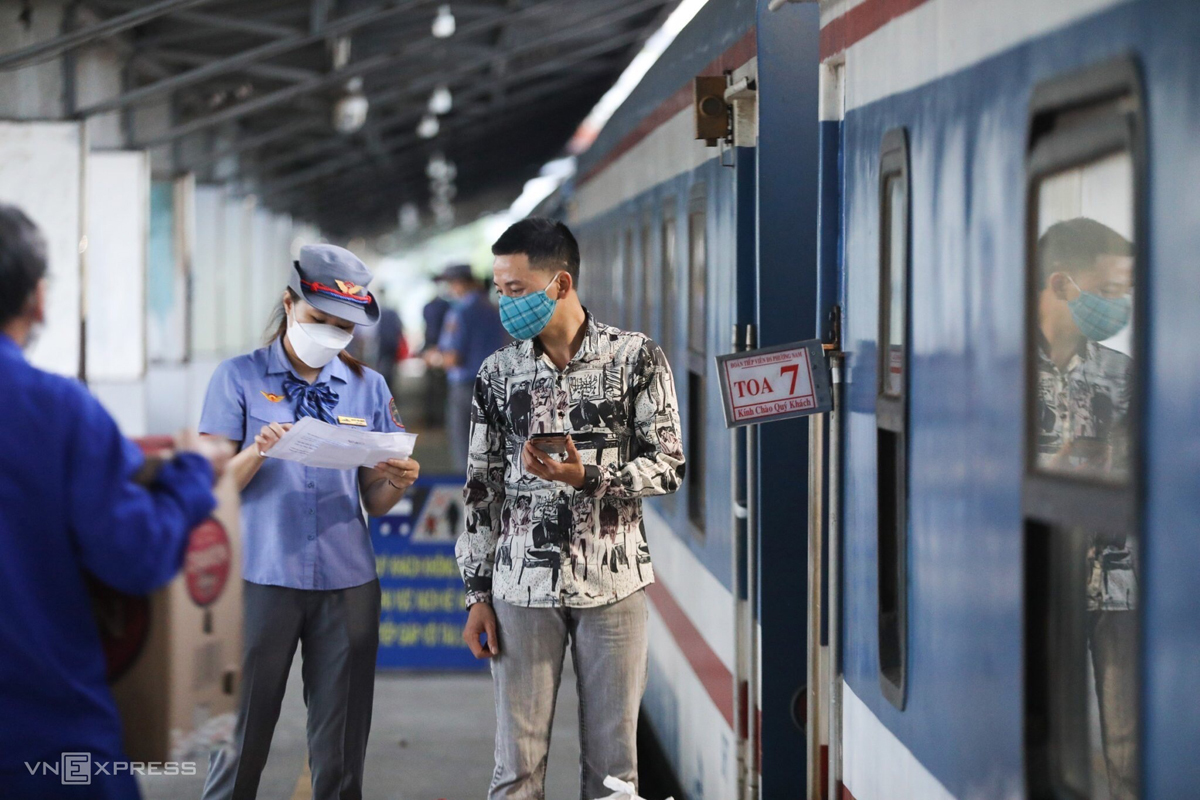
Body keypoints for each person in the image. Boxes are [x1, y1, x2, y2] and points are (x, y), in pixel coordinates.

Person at [0, 203, 231, 799]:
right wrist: (188, 477)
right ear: (38, 300)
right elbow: (136, 555)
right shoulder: (57, 413)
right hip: (43, 745)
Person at [455, 218, 685, 800]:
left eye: (515, 289)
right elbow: (482, 492)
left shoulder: (636, 360)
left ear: (559, 284)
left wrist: (590, 478)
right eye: (498, 289)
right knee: (516, 771)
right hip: (519, 591)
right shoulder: (498, 375)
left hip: (614, 586)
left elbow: (670, 465)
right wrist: (477, 597)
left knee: (615, 774)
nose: (503, 303)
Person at [198, 244, 421, 800]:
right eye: (319, 320)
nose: (330, 334)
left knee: (342, 752)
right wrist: (256, 452)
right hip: (260, 580)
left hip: (347, 584)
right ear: (290, 302)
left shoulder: (368, 387)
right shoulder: (238, 379)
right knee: (240, 741)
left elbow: (375, 501)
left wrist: (396, 478)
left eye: (343, 326)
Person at [1034, 217, 1136, 799]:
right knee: (1047, 744)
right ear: (1063, 284)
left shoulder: (1122, 375)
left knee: (1129, 750)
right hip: (1043, 587)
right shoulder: (1004, 371)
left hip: (1120, 587)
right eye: (1111, 292)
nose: (1118, 307)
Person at [435, 263, 508, 473]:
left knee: (464, 447)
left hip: (466, 388)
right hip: (496, 386)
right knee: (492, 446)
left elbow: (452, 358)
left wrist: (435, 359)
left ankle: (467, 494)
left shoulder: (459, 313)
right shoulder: (495, 310)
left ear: (458, 284)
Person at [421, 290, 452, 427]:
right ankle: (438, 418)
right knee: (440, 387)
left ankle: (432, 418)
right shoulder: (448, 306)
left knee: (432, 386)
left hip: (433, 348)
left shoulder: (428, 307)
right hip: (441, 349)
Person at [373, 287, 405, 391]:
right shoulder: (391, 311)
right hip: (391, 344)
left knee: (381, 368)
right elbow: (400, 327)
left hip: (383, 344)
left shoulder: (378, 310)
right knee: (390, 370)